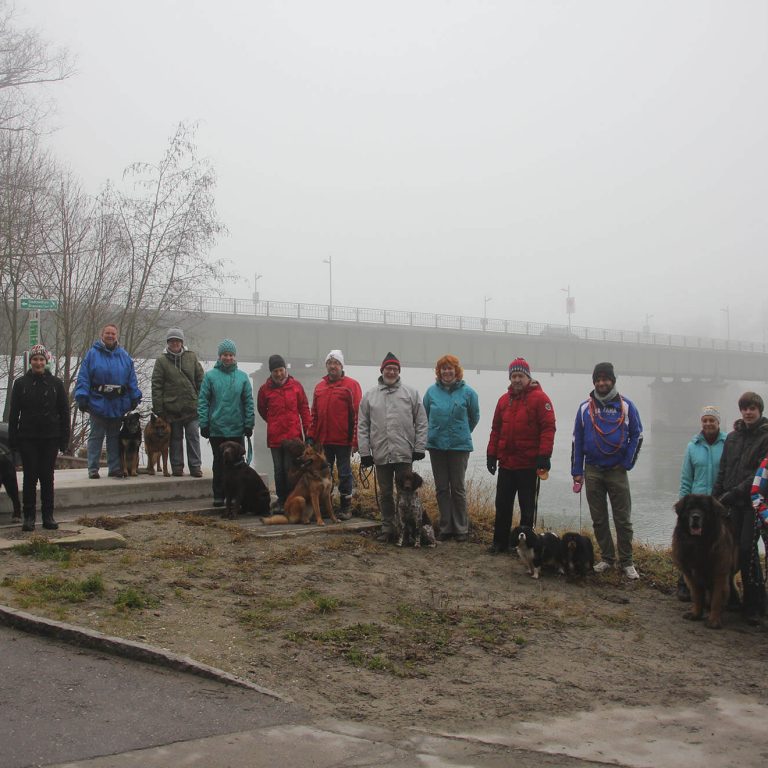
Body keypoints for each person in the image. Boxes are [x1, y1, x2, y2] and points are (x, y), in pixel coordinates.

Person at [571, 362, 643, 579]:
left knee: (623, 519)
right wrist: (577, 471)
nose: (602, 383)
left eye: (606, 379)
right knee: (599, 518)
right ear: (594, 382)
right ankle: (607, 559)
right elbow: (577, 440)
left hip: (617, 470)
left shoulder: (627, 406)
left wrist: (627, 463)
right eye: (598, 379)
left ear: (612, 381)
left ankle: (627, 562)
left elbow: (636, 435)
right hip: (592, 469)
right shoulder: (585, 408)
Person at [486, 357, 555, 553]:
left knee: (527, 509)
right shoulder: (503, 400)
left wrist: (544, 456)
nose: (517, 379)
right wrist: (492, 454)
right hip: (506, 464)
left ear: (528, 377)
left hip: (528, 464)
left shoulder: (541, 399)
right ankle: (500, 542)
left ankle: (526, 546)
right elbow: (496, 429)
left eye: (520, 376)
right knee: (503, 506)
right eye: (514, 376)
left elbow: (548, 429)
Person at [358, 352, 428, 543]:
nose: (391, 371)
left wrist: (419, 447)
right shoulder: (370, 396)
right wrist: (365, 453)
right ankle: (388, 529)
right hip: (381, 454)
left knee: (407, 495)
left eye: (395, 369)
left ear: (399, 371)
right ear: (382, 370)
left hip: (404, 453)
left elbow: (421, 421)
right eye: (388, 368)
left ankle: (409, 531)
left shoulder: (411, 393)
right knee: (386, 494)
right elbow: (363, 425)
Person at [714, 391, 768, 625]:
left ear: (760, 410)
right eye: (744, 408)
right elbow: (724, 469)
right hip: (731, 504)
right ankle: (737, 599)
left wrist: (732, 494)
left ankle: (753, 604)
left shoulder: (765, 438)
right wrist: (715, 496)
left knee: (747, 551)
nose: (748, 412)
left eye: (752, 408)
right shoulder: (733, 438)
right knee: (734, 552)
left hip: (753, 504)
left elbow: (758, 474)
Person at [8, 345, 70, 531]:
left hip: (50, 437)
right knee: (30, 478)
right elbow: (14, 415)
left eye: (41, 359)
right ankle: (28, 517)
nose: (38, 362)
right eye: (35, 359)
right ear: (30, 362)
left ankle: (48, 516)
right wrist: (13, 440)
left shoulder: (56, 384)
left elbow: (64, 412)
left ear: (46, 361)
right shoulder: (20, 383)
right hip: (27, 437)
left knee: (47, 477)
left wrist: (64, 439)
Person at [423, 354, 480, 542]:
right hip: (436, 445)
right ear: (439, 372)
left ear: (457, 370)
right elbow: (425, 416)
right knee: (441, 488)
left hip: (459, 446)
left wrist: (462, 432)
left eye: (450, 368)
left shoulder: (469, 393)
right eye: (443, 368)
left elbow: (474, 417)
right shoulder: (431, 392)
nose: (447, 371)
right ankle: (446, 527)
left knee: (457, 487)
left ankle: (461, 528)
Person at [74, 323, 142, 479]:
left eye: (113, 334)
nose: (110, 336)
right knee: (96, 436)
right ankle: (93, 468)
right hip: (97, 402)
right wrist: (82, 397)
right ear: (102, 335)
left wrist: (134, 397)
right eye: (107, 333)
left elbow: (132, 379)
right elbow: (84, 377)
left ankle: (115, 468)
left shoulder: (124, 356)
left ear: (116, 336)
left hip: (117, 404)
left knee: (114, 437)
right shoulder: (92, 355)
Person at [676, 405, 726, 600]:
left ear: (718, 422)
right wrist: (682, 504)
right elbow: (686, 478)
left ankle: (718, 589)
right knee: (688, 547)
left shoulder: (727, 443)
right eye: (705, 420)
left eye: (712, 420)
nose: (708, 423)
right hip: (695, 504)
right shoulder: (692, 446)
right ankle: (684, 584)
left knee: (714, 548)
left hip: (715, 505)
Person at [198, 339, 255, 507]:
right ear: (220, 356)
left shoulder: (243, 377)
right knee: (219, 463)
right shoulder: (210, 376)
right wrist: (204, 424)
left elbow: (248, 402)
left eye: (230, 355)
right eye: (225, 355)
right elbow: (203, 401)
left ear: (234, 356)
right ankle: (219, 495)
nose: (228, 358)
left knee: (238, 466)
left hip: (237, 428)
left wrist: (248, 424)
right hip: (217, 429)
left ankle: (239, 496)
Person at [307, 350, 362, 520]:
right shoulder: (319, 387)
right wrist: (310, 436)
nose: (332, 366)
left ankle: (346, 507)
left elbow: (358, 414)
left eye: (336, 363)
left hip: (343, 440)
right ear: (326, 365)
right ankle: (326, 506)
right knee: (324, 475)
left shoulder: (351, 385)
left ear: (341, 366)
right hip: (323, 441)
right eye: (330, 363)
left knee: (345, 473)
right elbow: (314, 414)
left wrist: (355, 440)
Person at [257, 354, 311, 511]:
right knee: (278, 470)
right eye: (275, 371)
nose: (278, 374)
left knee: (291, 469)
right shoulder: (264, 390)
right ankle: (281, 499)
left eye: (280, 370)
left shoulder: (296, 386)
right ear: (271, 372)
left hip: (293, 437)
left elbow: (304, 409)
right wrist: (273, 422)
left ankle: (291, 498)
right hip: (275, 437)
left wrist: (307, 432)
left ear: (285, 369)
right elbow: (262, 409)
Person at [151, 328, 204, 477]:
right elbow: (156, 385)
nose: (175, 343)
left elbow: (201, 380)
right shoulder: (161, 360)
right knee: (175, 438)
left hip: (192, 408)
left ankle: (195, 467)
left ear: (182, 342)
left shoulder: (191, 357)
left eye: (177, 340)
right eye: (172, 340)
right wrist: (159, 409)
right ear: (168, 342)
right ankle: (177, 467)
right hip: (171, 410)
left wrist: (201, 401)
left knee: (193, 436)